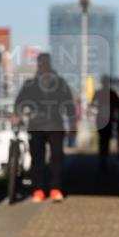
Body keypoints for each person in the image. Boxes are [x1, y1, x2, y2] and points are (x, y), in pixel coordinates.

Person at [13, 52, 76, 203]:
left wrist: (72, 122)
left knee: (57, 158)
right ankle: (38, 190)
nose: (44, 66)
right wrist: (17, 114)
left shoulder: (60, 83)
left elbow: (68, 103)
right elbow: (20, 101)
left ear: (49, 64)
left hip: (55, 124)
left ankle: (55, 189)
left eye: (46, 63)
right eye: (42, 63)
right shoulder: (30, 84)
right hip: (36, 124)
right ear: (39, 65)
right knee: (37, 159)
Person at [93, 76, 119, 169]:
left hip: (101, 120)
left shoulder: (99, 93)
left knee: (102, 139)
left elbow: (92, 104)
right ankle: (104, 157)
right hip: (108, 120)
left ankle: (102, 157)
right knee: (106, 139)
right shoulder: (112, 93)